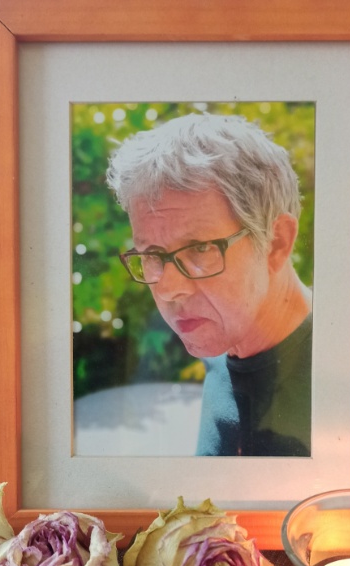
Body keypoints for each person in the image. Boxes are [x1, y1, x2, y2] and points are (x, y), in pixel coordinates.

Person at [106, 112, 312, 456]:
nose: (168, 289)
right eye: (151, 254)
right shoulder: (220, 351)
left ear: (277, 242)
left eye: (200, 249)